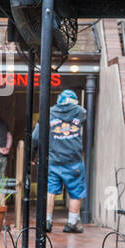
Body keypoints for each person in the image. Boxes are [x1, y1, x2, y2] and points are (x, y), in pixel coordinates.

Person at [32, 88, 88, 233]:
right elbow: (83, 114)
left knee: (50, 190)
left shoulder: (48, 112)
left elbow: (35, 137)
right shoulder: (79, 112)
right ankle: (72, 223)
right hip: (73, 159)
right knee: (76, 191)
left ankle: (47, 221)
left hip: (53, 159)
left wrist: (33, 155)